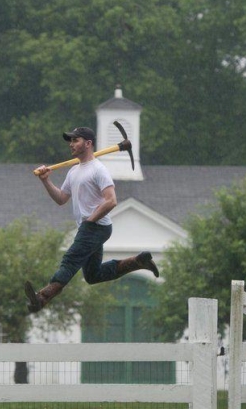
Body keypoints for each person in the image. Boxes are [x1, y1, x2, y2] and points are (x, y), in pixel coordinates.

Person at [24, 126, 159, 313]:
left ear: (88, 144)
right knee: (92, 275)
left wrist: (89, 221)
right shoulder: (74, 171)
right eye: (71, 141)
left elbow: (111, 201)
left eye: (75, 140)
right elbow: (61, 199)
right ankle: (138, 262)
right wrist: (45, 180)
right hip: (91, 227)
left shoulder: (99, 170)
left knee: (70, 260)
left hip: (96, 226)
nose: (71, 144)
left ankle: (42, 297)